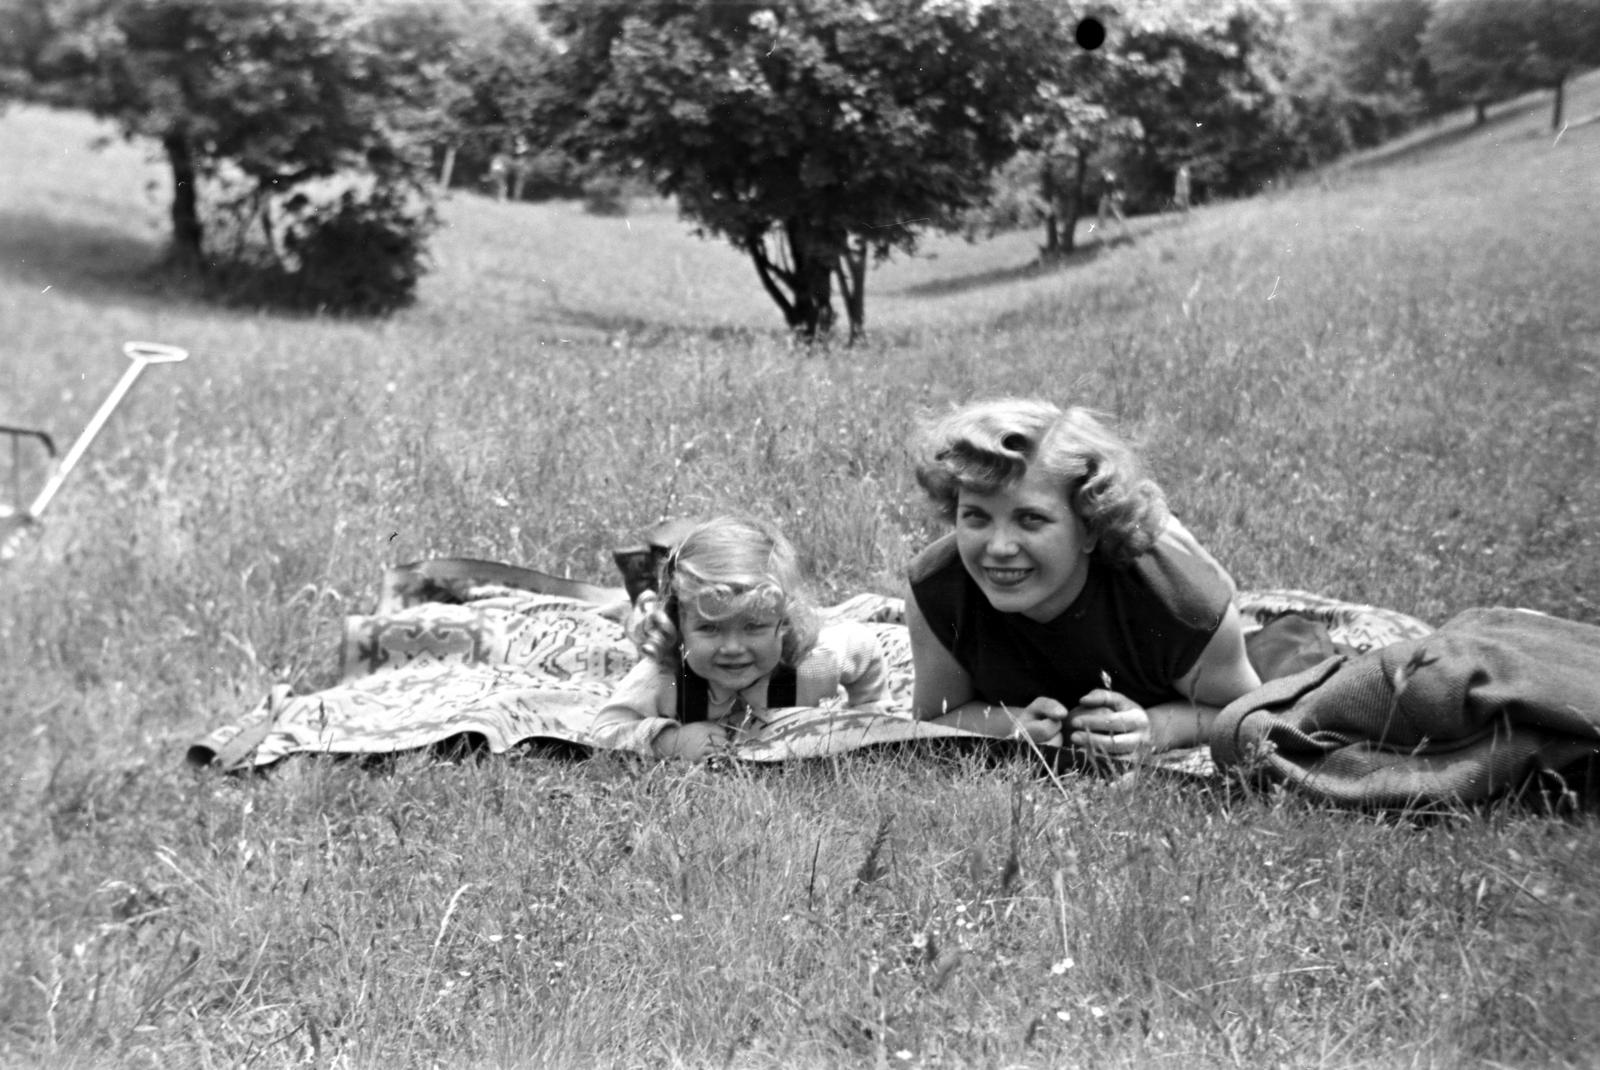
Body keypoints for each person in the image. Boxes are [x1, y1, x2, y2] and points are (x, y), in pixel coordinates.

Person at [905, 399, 1261, 756]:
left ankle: (1166, 528)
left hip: (1150, 563)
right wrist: (1009, 725)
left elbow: (1244, 711)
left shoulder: (1184, 603)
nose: (999, 547)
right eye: (976, 517)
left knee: (1220, 591)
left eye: (1031, 519)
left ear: (1090, 527)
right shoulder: (936, 589)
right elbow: (935, 717)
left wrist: (1155, 728)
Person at [593, 515, 889, 759]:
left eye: (753, 626)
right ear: (678, 626)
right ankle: (641, 586)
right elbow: (605, 731)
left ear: (784, 623)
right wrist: (670, 741)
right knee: (642, 618)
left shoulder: (813, 663)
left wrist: (868, 708)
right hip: (667, 634)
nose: (732, 648)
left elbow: (863, 648)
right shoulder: (664, 679)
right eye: (710, 628)